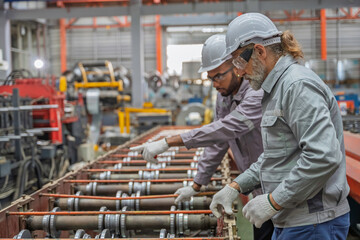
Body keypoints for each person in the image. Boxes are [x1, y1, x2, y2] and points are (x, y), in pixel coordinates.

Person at [210, 12, 350, 240]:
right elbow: (277, 156)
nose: (239, 71)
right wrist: (235, 186)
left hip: (313, 223)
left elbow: (323, 157)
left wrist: (274, 201)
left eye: (238, 61)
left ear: (259, 51)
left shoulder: (296, 86)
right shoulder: (275, 90)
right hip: (293, 219)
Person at [131, 34, 274, 239]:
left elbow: (228, 128)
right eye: (210, 78)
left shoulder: (256, 92)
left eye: (218, 76)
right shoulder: (224, 96)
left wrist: (169, 142)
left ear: (237, 66)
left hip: (279, 187)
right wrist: (197, 184)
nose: (214, 84)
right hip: (258, 187)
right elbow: (218, 143)